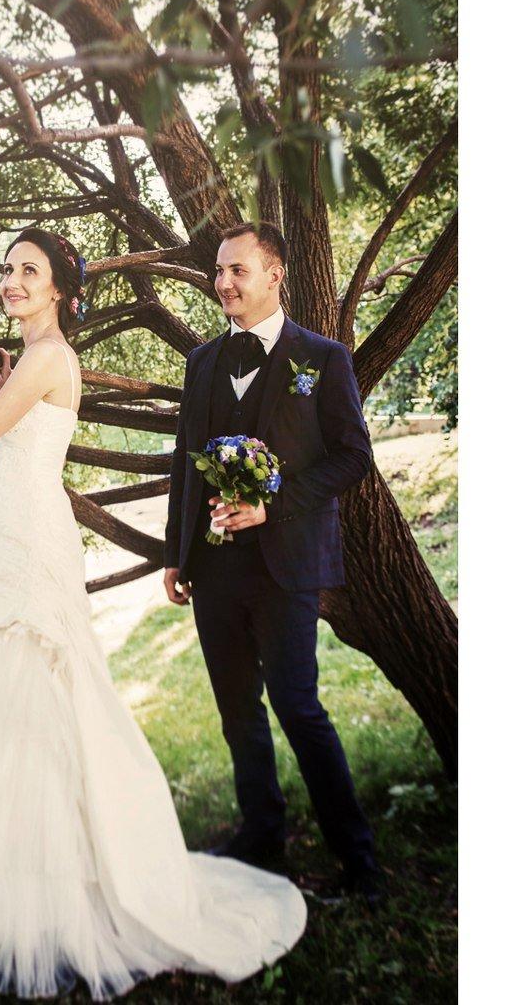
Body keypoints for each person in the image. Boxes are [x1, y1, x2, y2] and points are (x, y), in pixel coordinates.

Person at [0, 227, 305, 1000]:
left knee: (43, 695)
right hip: (16, 532)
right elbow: (2, 434)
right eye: (7, 268)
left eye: (30, 270)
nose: (11, 280)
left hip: (31, 542)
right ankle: (14, 880)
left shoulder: (50, 356)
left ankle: (65, 884)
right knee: (13, 705)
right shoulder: (34, 358)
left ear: (58, 288)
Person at [163, 221, 383, 904]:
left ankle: (361, 864)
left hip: (286, 567)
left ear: (275, 274)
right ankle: (262, 837)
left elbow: (354, 458)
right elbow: (184, 466)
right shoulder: (202, 363)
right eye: (219, 271)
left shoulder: (323, 358)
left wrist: (273, 503)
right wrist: (174, 553)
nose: (223, 282)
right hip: (213, 569)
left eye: (238, 270)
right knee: (237, 710)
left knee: (297, 707)